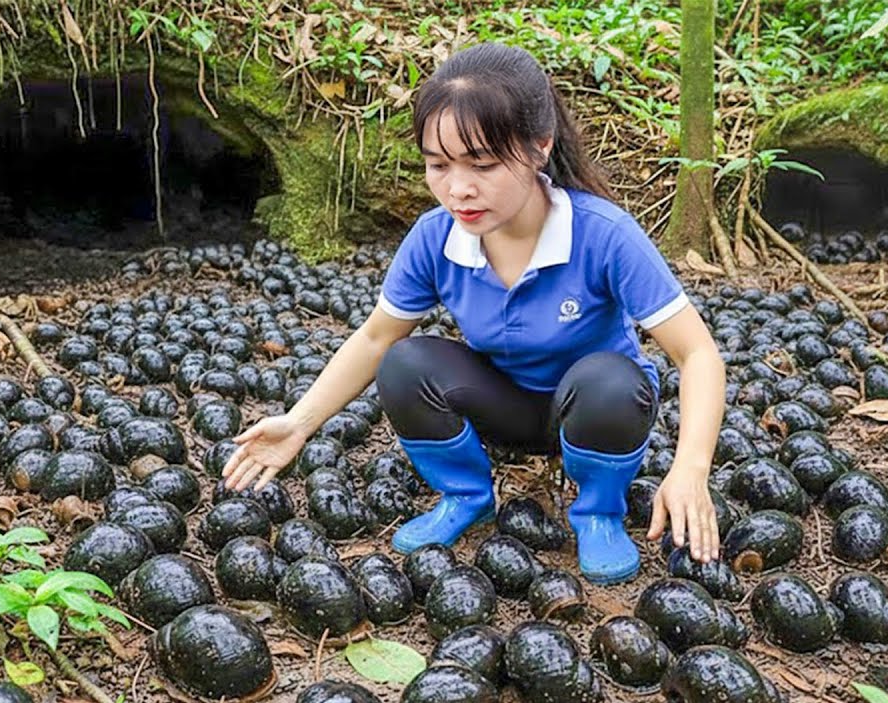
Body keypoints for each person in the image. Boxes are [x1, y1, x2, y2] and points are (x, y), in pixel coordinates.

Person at [222, 42, 725, 585]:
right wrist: (299, 422)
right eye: (438, 165)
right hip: (503, 407)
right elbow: (373, 339)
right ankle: (465, 495)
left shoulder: (603, 234)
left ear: (539, 148)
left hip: (593, 412)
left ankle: (598, 511)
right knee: (403, 361)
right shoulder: (435, 238)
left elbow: (697, 353)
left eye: (482, 164)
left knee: (611, 380)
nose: (458, 188)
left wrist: (690, 469)